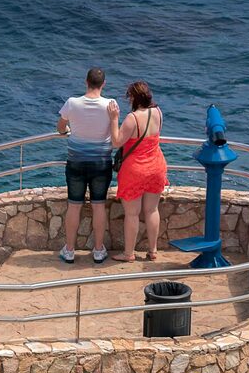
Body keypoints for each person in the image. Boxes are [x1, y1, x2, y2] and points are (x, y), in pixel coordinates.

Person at [56, 67, 116, 263]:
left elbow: (60, 127)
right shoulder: (111, 105)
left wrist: (67, 131)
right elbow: (114, 134)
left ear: (86, 81)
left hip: (76, 162)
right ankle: (98, 250)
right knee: (99, 206)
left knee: (74, 206)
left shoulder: (72, 103)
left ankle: (70, 250)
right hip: (101, 163)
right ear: (103, 84)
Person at [107, 80, 168, 262]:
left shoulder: (132, 118)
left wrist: (114, 118)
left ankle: (129, 253)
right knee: (151, 210)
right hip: (156, 166)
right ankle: (153, 250)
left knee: (132, 213)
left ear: (133, 97)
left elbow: (116, 142)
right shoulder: (158, 112)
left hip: (135, 170)